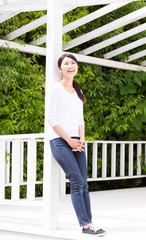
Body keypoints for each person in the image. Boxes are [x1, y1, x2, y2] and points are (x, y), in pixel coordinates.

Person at [46, 53, 106, 237]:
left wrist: (81, 140)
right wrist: (69, 140)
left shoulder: (78, 93)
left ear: (76, 67)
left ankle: (90, 224)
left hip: (76, 142)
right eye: (66, 64)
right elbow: (51, 118)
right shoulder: (56, 89)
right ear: (60, 69)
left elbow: (80, 120)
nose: (70, 66)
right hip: (59, 141)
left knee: (84, 184)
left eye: (73, 63)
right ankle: (86, 226)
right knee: (77, 181)